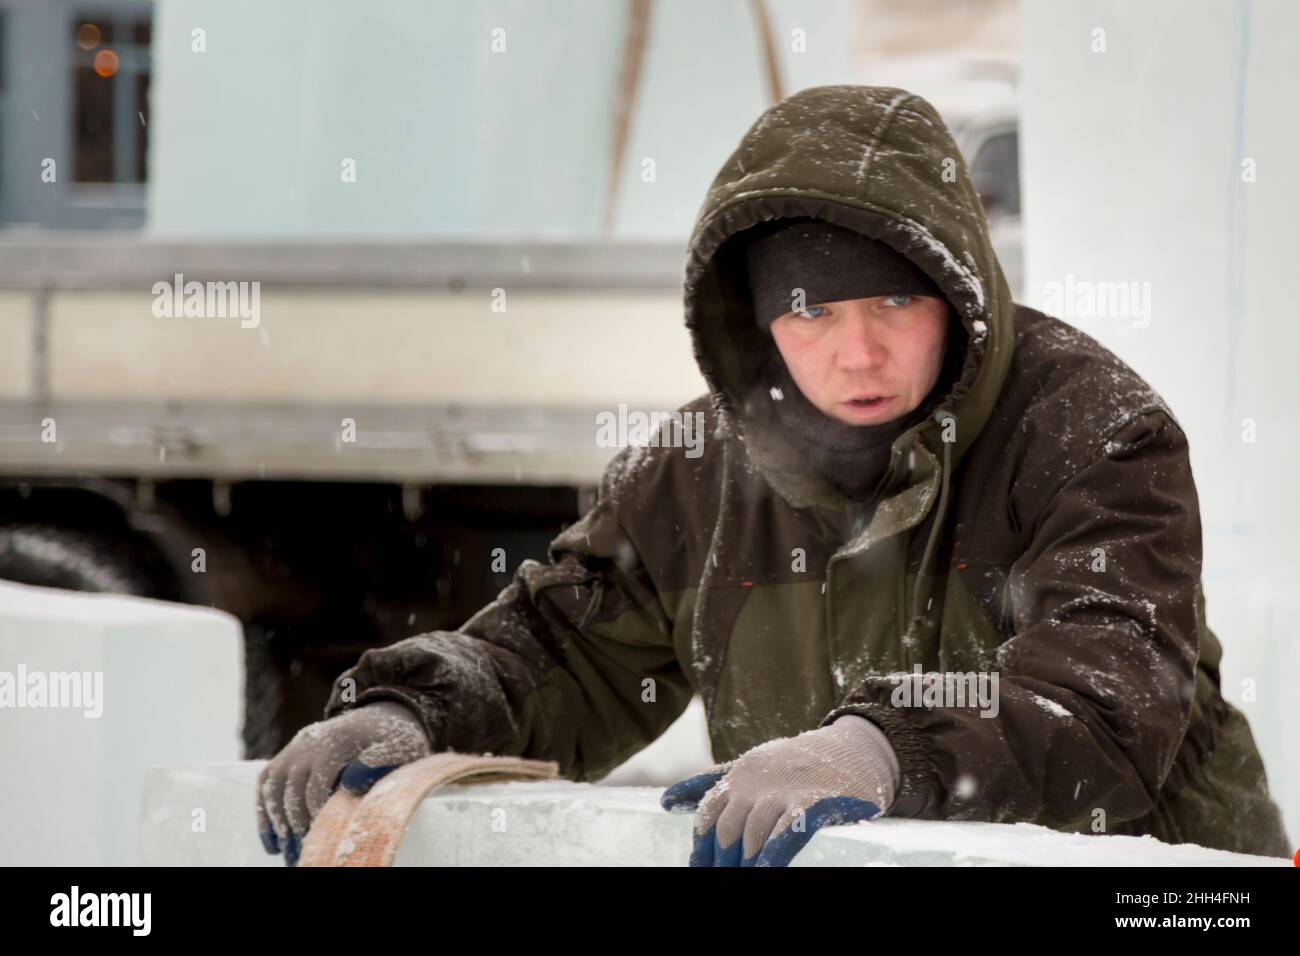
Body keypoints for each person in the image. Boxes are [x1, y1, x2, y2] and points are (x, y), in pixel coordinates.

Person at [257, 84, 1291, 867]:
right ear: (756, 322)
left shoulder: (1087, 429)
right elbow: (563, 653)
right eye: (811, 313)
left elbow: (1105, 709)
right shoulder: (696, 471)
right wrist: (416, 710)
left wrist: (882, 750)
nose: (856, 353)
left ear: (958, 288)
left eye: (892, 304)